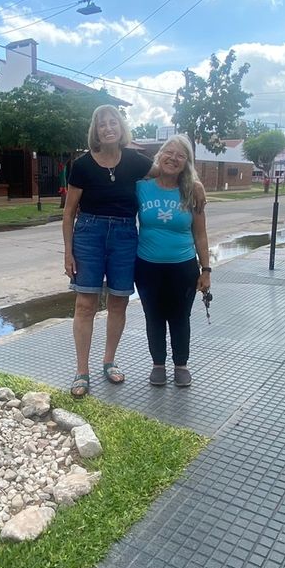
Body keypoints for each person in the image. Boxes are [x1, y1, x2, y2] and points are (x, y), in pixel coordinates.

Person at [62, 105, 154, 399]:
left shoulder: (136, 161)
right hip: (88, 234)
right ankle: (81, 371)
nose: (108, 128)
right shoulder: (82, 165)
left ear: (121, 127)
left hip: (126, 235)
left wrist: (196, 184)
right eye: (102, 124)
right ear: (96, 131)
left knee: (118, 303)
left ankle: (109, 361)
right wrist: (68, 252)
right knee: (85, 304)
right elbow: (69, 213)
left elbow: (170, 171)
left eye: (113, 122)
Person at [133, 134, 210, 387]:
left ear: (186, 162)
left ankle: (181, 365)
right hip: (147, 267)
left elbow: (200, 233)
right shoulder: (141, 187)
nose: (173, 158)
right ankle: (158, 364)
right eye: (169, 152)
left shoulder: (192, 191)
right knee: (153, 316)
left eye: (181, 155)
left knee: (179, 317)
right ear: (159, 155)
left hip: (183, 267)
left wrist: (206, 269)